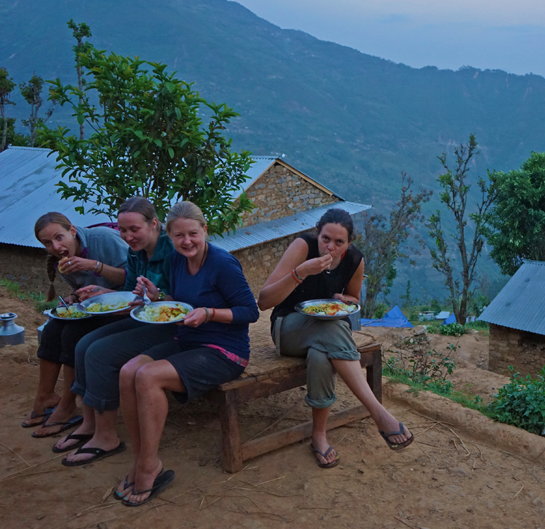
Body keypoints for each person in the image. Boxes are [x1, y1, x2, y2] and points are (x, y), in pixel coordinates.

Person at [118, 201, 259, 506]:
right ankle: (139, 457)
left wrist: (208, 313)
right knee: (129, 371)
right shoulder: (176, 260)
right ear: (169, 235)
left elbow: (250, 311)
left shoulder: (223, 263)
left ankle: (148, 466)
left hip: (225, 351)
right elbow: (175, 300)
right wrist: (155, 298)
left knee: (147, 376)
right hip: (188, 341)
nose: (187, 241)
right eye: (179, 235)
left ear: (204, 230)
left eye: (193, 233)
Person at [257, 208, 413, 469]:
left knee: (321, 356)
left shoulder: (354, 260)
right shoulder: (301, 248)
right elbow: (264, 301)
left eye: (339, 242)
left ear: (349, 243)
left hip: (325, 334)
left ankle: (319, 436)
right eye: (325, 238)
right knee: (333, 331)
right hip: (287, 330)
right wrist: (300, 272)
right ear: (317, 233)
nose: (331, 247)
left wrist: (344, 300)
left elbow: (354, 299)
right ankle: (379, 413)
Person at [54, 197, 176, 468]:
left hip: (169, 326)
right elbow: (133, 288)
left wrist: (155, 298)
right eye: (123, 230)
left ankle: (106, 436)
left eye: (134, 229)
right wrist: (104, 292)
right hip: (143, 317)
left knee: (100, 353)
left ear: (154, 223)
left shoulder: (171, 250)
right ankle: (90, 423)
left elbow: (179, 296)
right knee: (84, 344)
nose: (128, 236)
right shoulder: (136, 252)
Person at [24, 213, 128, 438]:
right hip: (97, 309)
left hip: (126, 308)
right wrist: (73, 296)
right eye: (48, 243)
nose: (56, 246)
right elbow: (83, 288)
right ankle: (45, 396)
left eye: (59, 237)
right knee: (53, 329)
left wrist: (95, 265)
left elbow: (132, 278)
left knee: (73, 333)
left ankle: (67, 404)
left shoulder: (104, 239)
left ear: (72, 230)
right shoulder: (62, 261)